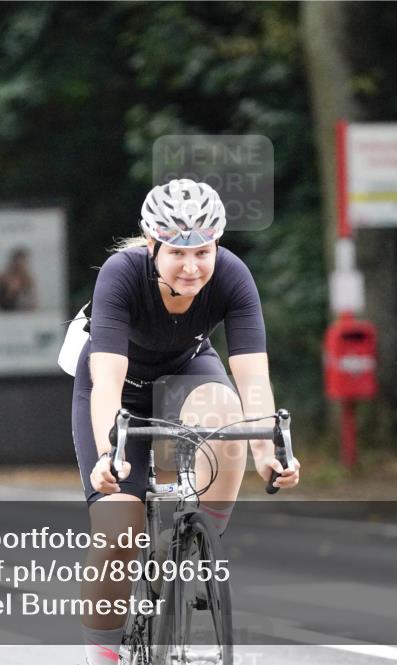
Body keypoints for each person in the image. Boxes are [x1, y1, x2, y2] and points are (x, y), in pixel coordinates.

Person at [70, 179, 301, 664]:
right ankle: (103, 656)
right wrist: (108, 453)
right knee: (118, 535)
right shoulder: (121, 274)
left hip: (186, 370)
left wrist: (268, 453)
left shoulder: (233, 276)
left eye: (203, 250)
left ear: (217, 244)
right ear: (152, 244)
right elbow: (108, 377)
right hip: (120, 387)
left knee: (228, 418)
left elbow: (253, 375)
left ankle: (199, 541)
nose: (192, 266)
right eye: (177, 252)